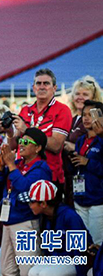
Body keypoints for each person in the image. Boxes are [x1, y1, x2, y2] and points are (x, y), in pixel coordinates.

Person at [0, 128, 52, 276]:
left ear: (38, 148)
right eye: (21, 141)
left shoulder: (41, 167)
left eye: (26, 142)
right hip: (8, 220)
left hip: (25, 222)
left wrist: (11, 165)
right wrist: (0, 165)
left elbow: (26, 188)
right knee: (7, 270)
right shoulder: (18, 163)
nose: (21, 145)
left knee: (28, 270)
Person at [12, 68, 72, 192]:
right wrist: (8, 132)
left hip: (49, 176)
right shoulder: (26, 110)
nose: (42, 87)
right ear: (34, 88)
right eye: (38, 83)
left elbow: (56, 145)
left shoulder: (62, 110)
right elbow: (14, 144)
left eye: (46, 83)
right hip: (24, 172)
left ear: (54, 88)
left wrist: (27, 130)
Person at [27, 180, 91, 276]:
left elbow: (79, 250)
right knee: (32, 272)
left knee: (46, 274)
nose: (30, 206)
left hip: (74, 260)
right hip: (58, 259)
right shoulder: (44, 217)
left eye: (32, 202)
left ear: (43, 204)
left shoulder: (69, 216)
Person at [63, 76, 102, 207]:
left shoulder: (98, 121)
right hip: (73, 179)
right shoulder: (72, 119)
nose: (80, 97)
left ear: (94, 97)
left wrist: (72, 147)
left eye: (85, 94)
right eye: (77, 93)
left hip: (94, 185)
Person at [68, 100, 103, 246]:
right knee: (82, 245)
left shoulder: (102, 140)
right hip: (80, 197)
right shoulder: (81, 140)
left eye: (91, 114)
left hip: (98, 201)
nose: (86, 118)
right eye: (84, 115)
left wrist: (88, 162)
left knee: (97, 244)